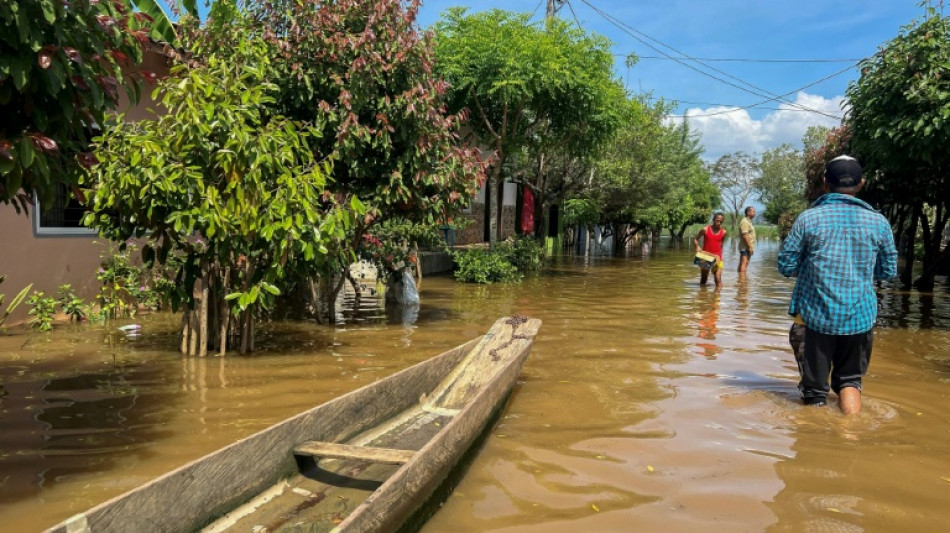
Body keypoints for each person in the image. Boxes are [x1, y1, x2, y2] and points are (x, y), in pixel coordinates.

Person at [777, 155, 897, 414]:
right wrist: (860, 270)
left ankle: (820, 442)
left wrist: (812, 268)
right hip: (859, 318)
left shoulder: (809, 219)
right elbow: (888, 271)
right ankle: (850, 436)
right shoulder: (879, 222)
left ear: (824, 183)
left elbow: (786, 266)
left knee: (814, 390)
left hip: (814, 319)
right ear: (861, 183)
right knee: (850, 381)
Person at [694, 212, 727, 287]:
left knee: (718, 278)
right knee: (703, 279)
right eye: (717, 220)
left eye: (721, 221)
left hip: (717, 258)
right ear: (713, 219)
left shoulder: (724, 232)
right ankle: (702, 296)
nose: (718, 223)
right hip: (706, 257)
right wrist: (697, 246)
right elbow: (695, 239)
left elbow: (721, 244)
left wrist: (719, 256)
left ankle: (718, 297)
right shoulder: (705, 229)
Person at [737, 206, 756, 273]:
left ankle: (739, 279)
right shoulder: (744, 221)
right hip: (745, 247)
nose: (754, 213)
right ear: (748, 212)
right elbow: (744, 235)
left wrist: (751, 246)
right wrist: (749, 246)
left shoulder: (749, 222)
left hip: (748, 246)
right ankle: (742, 281)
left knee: (745, 263)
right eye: (753, 212)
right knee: (744, 263)